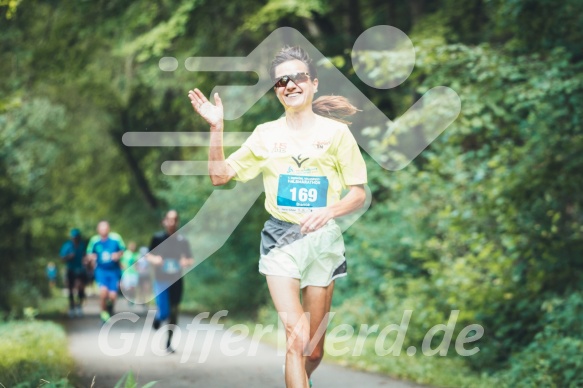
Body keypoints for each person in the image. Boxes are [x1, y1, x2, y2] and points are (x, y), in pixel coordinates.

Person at [188, 46, 367, 388]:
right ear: (276, 91)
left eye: (298, 77)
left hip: (324, 240)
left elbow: (357, 193)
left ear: (313, 84)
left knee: (313, 351)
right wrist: (216, 128)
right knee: (296, 336)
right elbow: (219, 176)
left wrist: (329, 210)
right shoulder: (265, 135)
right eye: (281, 80)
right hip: (281, 239)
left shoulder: (336, 134)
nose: (290, 84)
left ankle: (301, 379)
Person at [148, 210, 194, 352]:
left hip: (176, 281)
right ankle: (158, 317)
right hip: (161, 280)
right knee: (165, 312)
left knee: (174, 313)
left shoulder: (182, 241)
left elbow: (190, 259)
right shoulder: (157, 238)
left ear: (177, 222)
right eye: (169, 219)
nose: (172, 222)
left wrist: (185, 261)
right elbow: (148, 255)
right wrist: (155, 259)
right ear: (164, 221)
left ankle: (168, 342)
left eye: (175, 219)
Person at [86, 221, 126, 324]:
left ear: (109, 229)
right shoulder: (94, 241)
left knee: (112, 296)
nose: (103, 230)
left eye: (105, 228)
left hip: (114, 270)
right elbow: (89, 254)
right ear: (98, 230)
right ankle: (103, 315)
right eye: (101, 228)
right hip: (101, 270)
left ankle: (109, 308)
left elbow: (122, 250)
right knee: (103, 292)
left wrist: (117, 255)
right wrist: (91, 258)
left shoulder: (116, 238)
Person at [59, 228, 88, 317]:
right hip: (70, 269)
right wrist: (69, 257)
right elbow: (62, 258)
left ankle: (79, 306)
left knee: (81, 288)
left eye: (76, 237)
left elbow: (86, 256)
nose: (75, 239)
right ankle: (72, 307)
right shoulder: (67, 246)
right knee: (71, 289)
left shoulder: (82, 245)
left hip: (81, 269)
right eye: (73, 237)